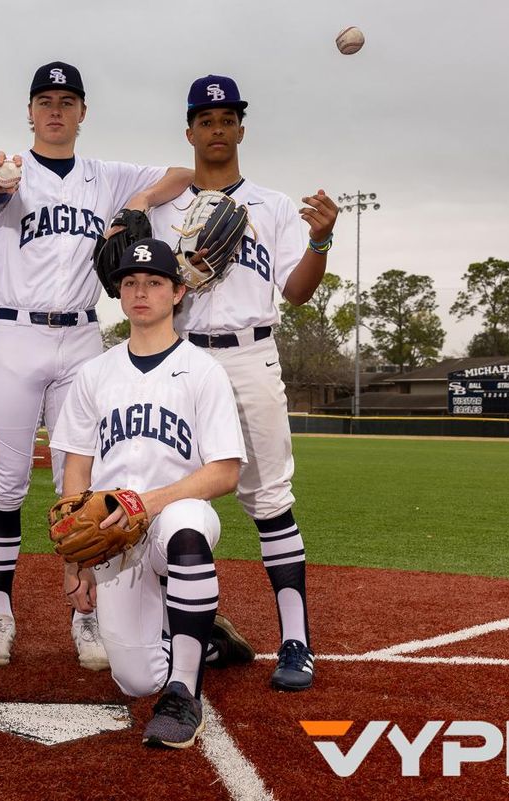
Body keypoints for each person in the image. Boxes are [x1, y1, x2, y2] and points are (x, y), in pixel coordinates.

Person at [0, 61, 198, 671]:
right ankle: (0, 611)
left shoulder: (106, 176)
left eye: (66, 100)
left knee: (85, 480)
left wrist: (142, 199)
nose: (55, 109)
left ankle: (85, 614)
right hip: (15, 332)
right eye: (44, 99)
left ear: (81, 112)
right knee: (6, 481)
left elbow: (187, 173)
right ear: (29, 111)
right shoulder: (13, 172)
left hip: (81, 338)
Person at [149, 75, 339, 691]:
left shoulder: (275, 205)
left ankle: (295, 641)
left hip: (251, 353)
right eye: (206, 119)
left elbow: (297, 290)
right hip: (182, 358)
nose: (217, 128)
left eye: (227, 118)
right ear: (189, 131)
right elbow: (145, 291)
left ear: (241, 128)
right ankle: (173, 629)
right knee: (169, 494)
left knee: (269, 499)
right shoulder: (165, 206)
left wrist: (321, 239)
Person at [51, 239, 245, 748]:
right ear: (119, 293)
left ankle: (185, 692)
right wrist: (77, 560)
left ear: (178, 292)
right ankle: (204, 634)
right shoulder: (94, 374)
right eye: (130, 283)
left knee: (184, 527)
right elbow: (77, 468)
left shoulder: (204, 370)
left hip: (176, 513)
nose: (141, 291)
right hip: (111, 534)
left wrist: (148, 502)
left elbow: (225, 471)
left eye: (155, 282)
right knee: (136, 680)